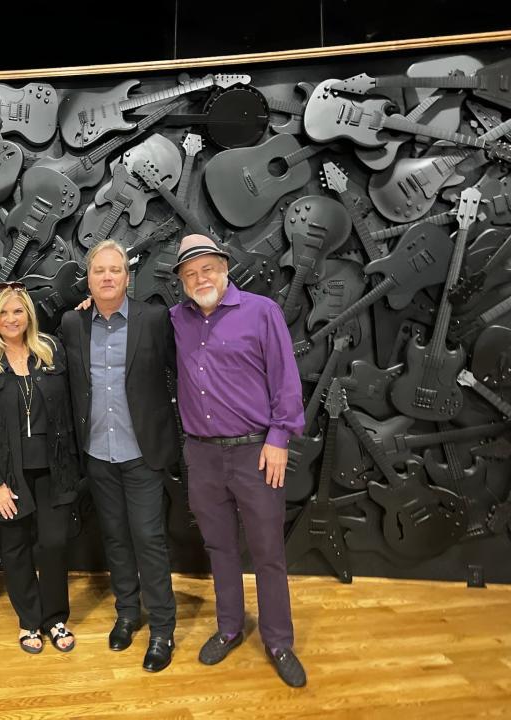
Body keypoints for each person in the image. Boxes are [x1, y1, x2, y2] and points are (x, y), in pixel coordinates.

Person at [169, 233, 307, 688]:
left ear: (224, 268)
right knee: (219, 547)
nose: (199, 278)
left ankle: (278, 640)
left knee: (268, 551)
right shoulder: (176, 319)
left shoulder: (261, 311)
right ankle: (229, 628)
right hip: (202, 454)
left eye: (206, 268)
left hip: (257, 452)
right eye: (190, 274)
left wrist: (280, 437)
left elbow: (286, 377)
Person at [61, 239, 180, 673]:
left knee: (148, 539)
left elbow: (181, 372)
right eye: (99, 271)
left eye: (115, 270)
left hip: (142, 452)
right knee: (114, 537)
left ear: (127, 277)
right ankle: (128, 614)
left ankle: (163, 627)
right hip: (97, 452)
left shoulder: (154, 319)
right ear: (89, 279)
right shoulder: (72, 325)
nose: (107, 277)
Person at [0, 282, 79, 654]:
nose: (11, 319)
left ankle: (55, 618)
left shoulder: (51, 352)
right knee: (15, 548)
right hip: (9, 474)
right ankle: (29, 621)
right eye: (3, 312)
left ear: (28, 314)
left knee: (53, 544)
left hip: (54, 468)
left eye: (18, 311)